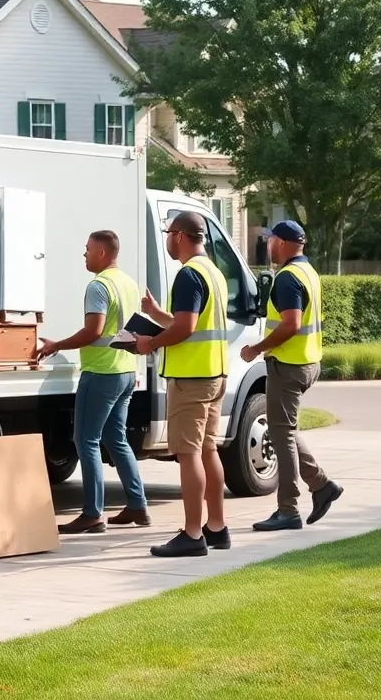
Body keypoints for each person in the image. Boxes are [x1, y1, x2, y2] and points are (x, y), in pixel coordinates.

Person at [37, 230, 149, 534]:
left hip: (101, 373)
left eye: (87, 250)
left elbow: (93, 332)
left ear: (102, 253)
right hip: (126, 372)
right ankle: (137, 505)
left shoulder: (99, 286)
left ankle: (92, 514)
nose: (84, 254)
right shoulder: (127, 283)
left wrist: (56, 344)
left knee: (85, 440)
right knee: (116, 439)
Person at [135, 210, 230, 558]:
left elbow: (186, 328)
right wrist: (157, 313)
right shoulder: (213, 273)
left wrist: (151, 342)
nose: (166, 239)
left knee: (188, 455)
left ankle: (192, 534)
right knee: (208, 450)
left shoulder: (188, 274)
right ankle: (217, 528)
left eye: (167, 233)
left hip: (192, 379)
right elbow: (187, 320)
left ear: (178, 235)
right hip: (215, 374)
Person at [240, 220, 344, 531]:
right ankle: (321, 485)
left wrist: (257, 348)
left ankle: (288, 510)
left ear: (282, 243)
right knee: (283, 426)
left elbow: (290, 324)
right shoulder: (308, 272)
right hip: (307, 362)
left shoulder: (287, 278)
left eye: (271, 239)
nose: (268, 244)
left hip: (288, 365)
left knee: (281, 433)